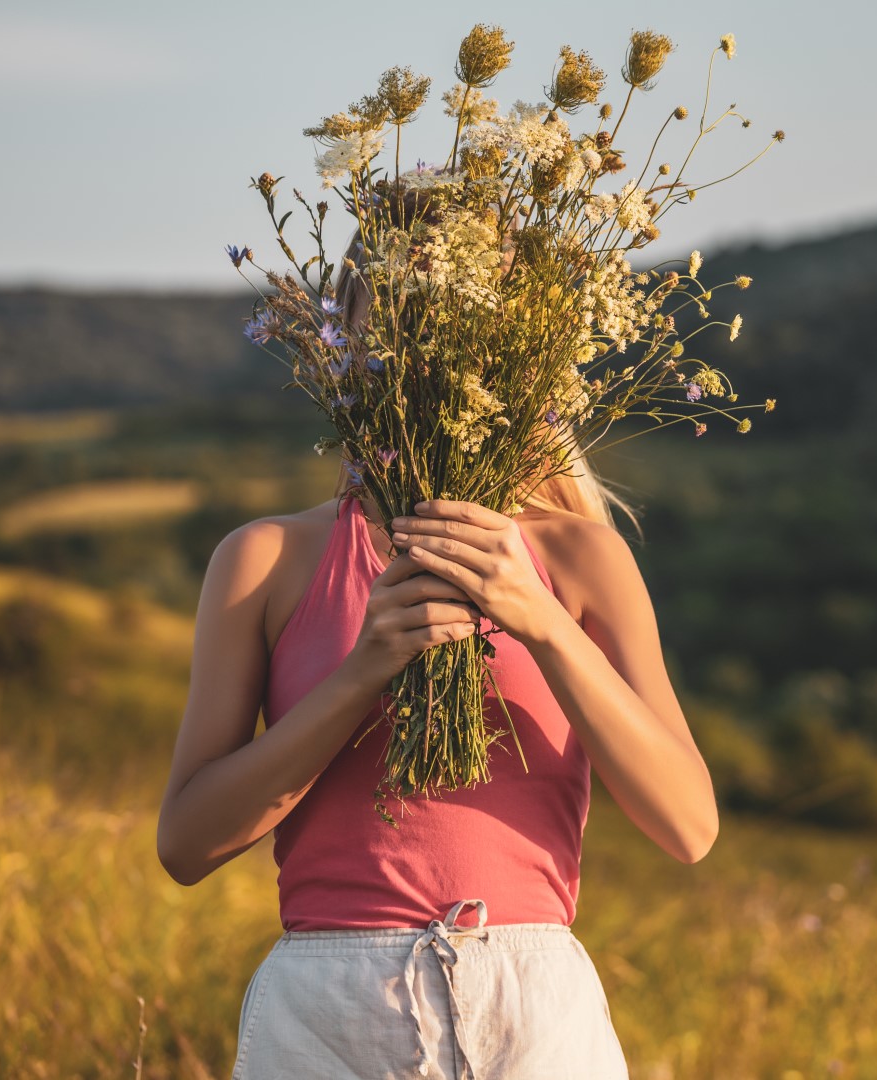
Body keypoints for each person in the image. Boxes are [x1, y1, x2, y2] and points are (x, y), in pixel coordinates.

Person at [155, 239, 719, 1077]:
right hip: (327, 1014)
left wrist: (544, 625)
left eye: (453, 324)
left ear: (513, 344)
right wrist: (360, 674)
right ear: (343, 343)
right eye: (391, 328)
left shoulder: (579, 558)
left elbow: (688, 826)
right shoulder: (266, 560)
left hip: (532, 1010)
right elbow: (187, 845)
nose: (420, 357)